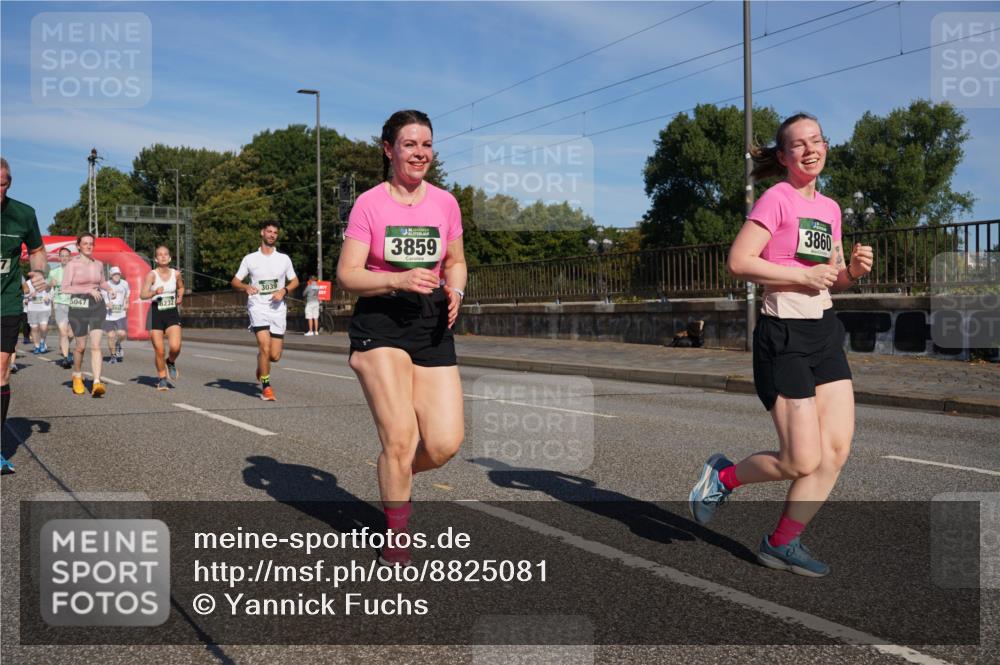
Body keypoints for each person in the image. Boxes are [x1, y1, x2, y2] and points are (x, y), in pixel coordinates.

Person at [688, 113, 874, 577]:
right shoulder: (777, 198)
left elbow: (826, 277)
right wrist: (800, 275)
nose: (810, 150)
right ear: (784, 156)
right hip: (783, 334)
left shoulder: (830, 209)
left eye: (817, 141)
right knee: (800, 459)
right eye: (798, 145)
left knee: (836, 452)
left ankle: (780, 543)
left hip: (824, 331)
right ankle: (723, 477)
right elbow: (738, 261)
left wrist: (851, 272)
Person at [336, 110, 467, 566]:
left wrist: (458, 290)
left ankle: (395, 473)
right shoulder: (370, 203)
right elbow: (348, 274)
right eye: (410, 144)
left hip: (430, 322)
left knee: (445, 443)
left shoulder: (446, 204)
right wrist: (397, 280)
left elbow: (455, 261)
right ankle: (395, 534)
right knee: (401, 436)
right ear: (389, 150)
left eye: (426, 144)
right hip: (381, 320)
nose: (420, 153)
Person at [1, 156, 49, 473]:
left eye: (2, 184)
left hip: (6, 303)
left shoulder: (23, 214)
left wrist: (38, 271)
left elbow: (36, 249)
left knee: (2, 370)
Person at [231, 221, 298, 401]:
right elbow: (235, 281)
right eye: (269, 231)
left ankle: (262, 362)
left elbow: (295, 281)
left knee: (274, 356)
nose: (272, 235)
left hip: (277, 309)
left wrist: (283, 291)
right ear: (262, 233)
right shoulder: (250, 259)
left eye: (275, 232)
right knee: (264, 345)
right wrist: (246, 287)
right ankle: (266, 387)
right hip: (258, 306)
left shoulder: (284, 259)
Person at [61, 232, 111, 397]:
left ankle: (97, 382)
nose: (89, 246)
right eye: (85, 243)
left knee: (96, 345)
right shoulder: (72, 265)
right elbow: (65, 288)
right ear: (78, 246)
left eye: (91, 243)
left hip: (97, 305)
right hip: (78, 306)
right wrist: (86, 289)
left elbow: (101, 282)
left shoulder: (98, 264)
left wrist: (109, 289)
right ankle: (77, 374)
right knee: (81, 347)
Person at [140, 246, 184, 391]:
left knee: (175, 347)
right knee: (159, 350)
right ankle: (162, 378)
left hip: (171, 312)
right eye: (160, 254)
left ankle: (170, 361)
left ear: (170, 257)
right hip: (155, 313)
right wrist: (154, 292)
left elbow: (181, 287)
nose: (163, 256)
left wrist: (180, 296)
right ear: (156, 259)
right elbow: (143, 295)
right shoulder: (152, 275)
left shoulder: (176, 274)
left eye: (166, 254)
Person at [49, 247, 75, 368]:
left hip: (74, 304)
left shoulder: (76, 272)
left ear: (70, 257)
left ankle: (65, 346)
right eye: (62, 256)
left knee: (71, 334)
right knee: (63, 333)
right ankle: (65, 358)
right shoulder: (53, 272)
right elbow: (46, 287)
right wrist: (50, 284)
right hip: (59, 304)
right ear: (59, 258)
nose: (64, 258)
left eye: (66, 256)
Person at [103, 266, 130, 364]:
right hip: (108, 315)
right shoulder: (105, 285)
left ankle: (118, 343)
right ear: (110, 275)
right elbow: (100, 300)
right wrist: (106, 304)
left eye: (118, 274)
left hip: (121, 314)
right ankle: (113, 356)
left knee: (122, 334)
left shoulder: (124, 283)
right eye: (114, 274)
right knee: (110, 336)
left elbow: (127, 295)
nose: (117, 276)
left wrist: (127, 303)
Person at [25, 278, 52, 354]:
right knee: (34, 329)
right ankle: (37, 347)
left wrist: (48, 298)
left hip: (44, 308)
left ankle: (42, 342)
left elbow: (51, 293)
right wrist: (29, 296)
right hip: (32, 309)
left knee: (43, 327)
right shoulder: (27, 283)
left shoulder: (46, 282)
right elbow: (24, 295)